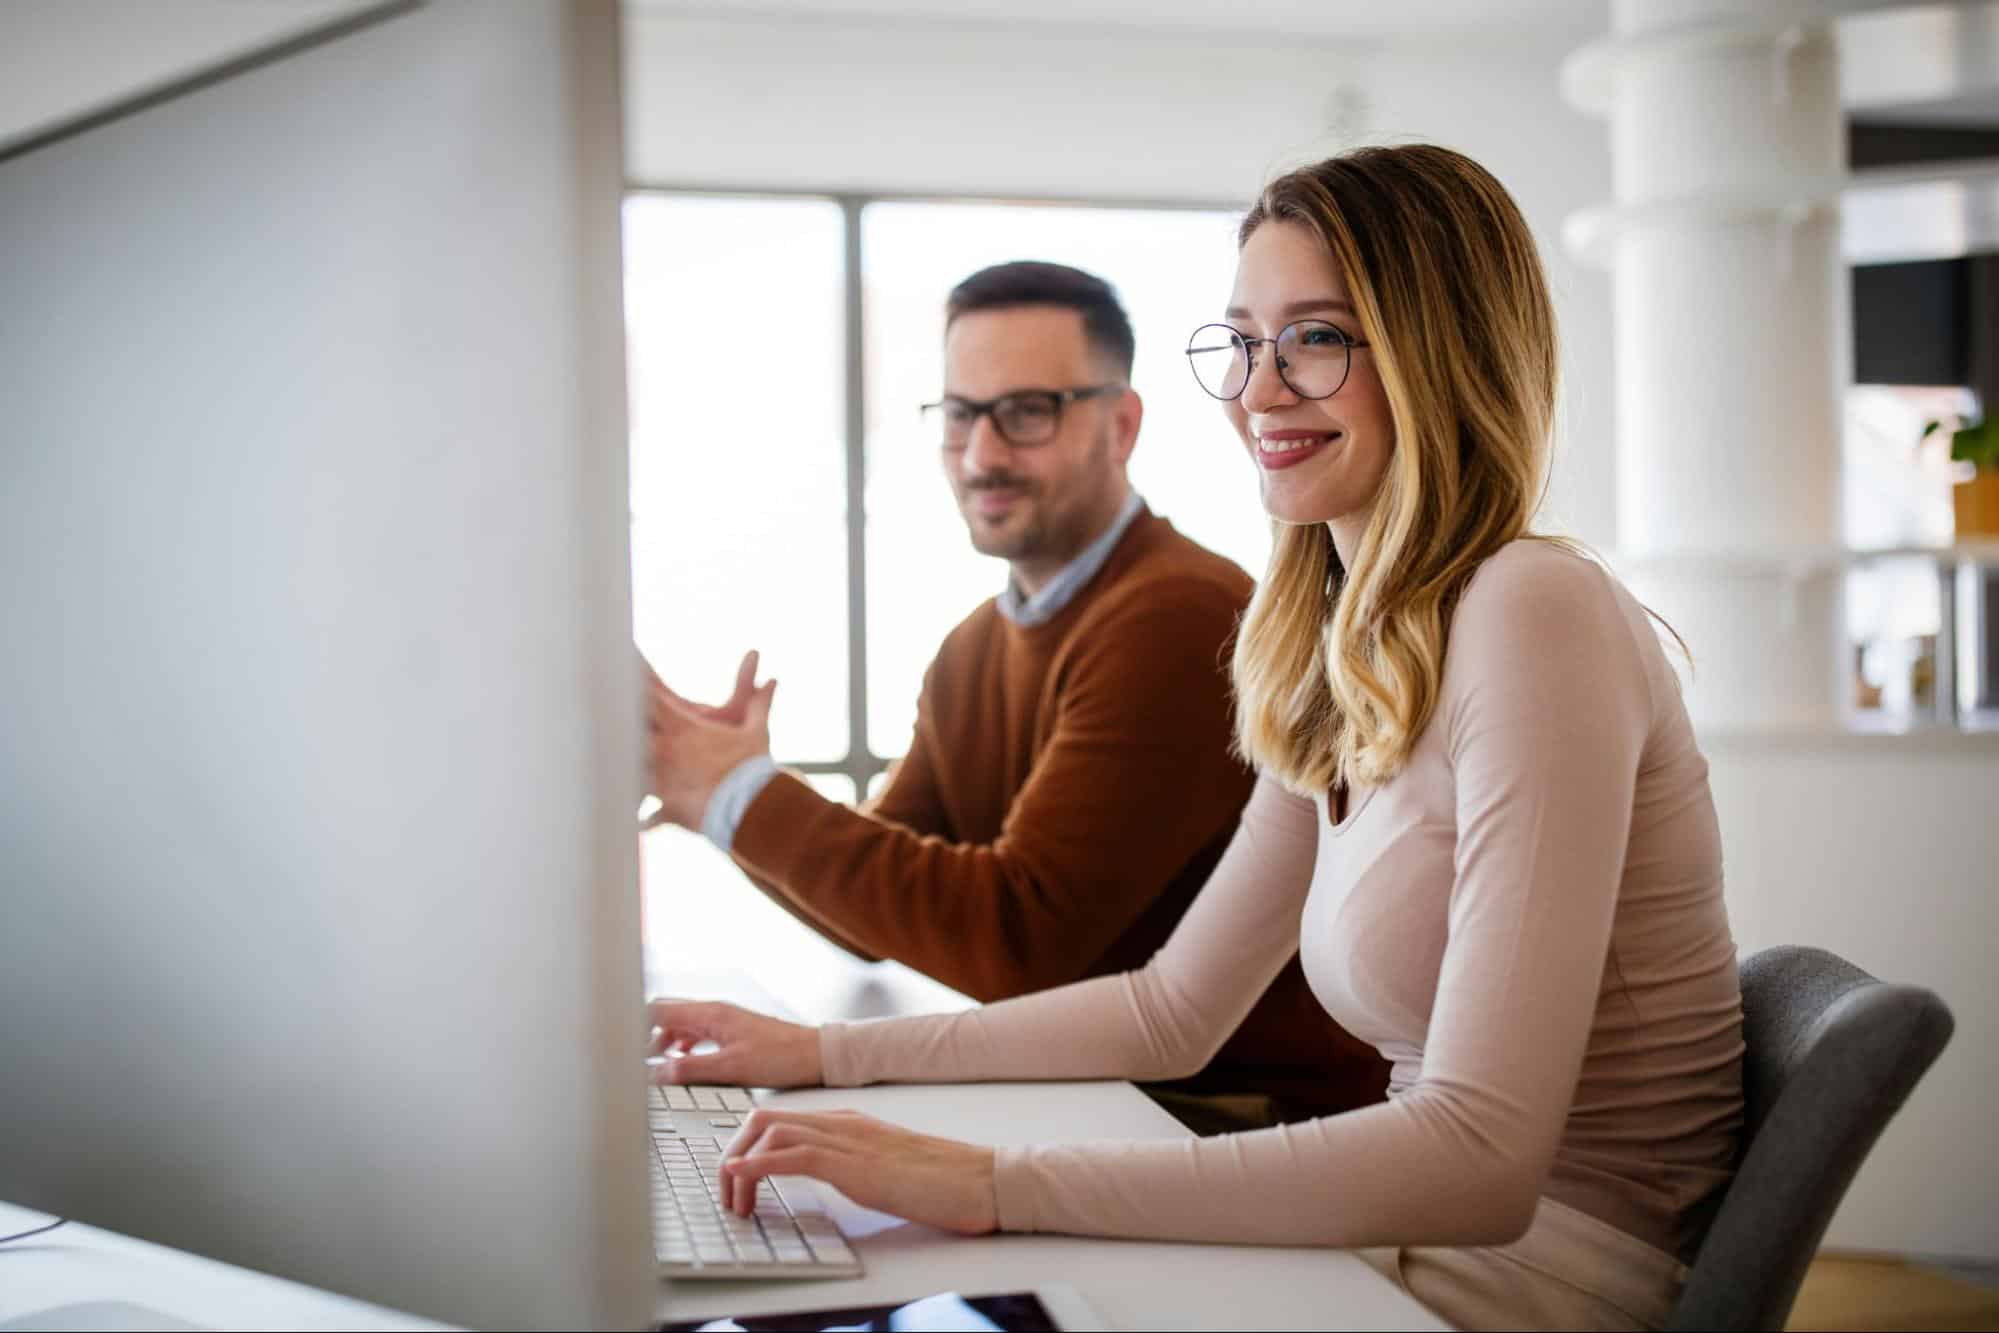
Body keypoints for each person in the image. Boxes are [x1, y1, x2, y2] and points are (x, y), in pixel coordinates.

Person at [645, 147, 1746, 1333]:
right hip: (1396, 1238)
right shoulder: (1331, 634)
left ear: (1443, 353)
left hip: (1523, 1277)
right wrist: (823, 1055)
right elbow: (1174, 1008)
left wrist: (986, 1185)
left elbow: (1479, 1155)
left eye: (1316, 338)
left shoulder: (1534, 610)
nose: (1260, 391)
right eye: (1244, 342)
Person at [641, 260, 1388, 1129]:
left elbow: (1016, 939)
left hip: (1239, 1128)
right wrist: (725, 794)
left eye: (1027, 412)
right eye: (960, 414)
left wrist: (740, 796)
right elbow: (872, 919)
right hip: (1108, 1107)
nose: (982, 454)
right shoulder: (974, 646)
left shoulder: (1177, 615)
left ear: (1121, 425)